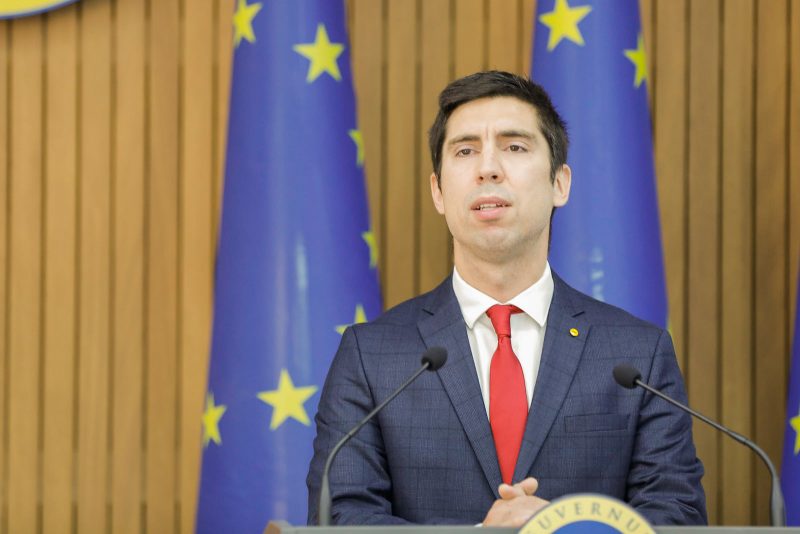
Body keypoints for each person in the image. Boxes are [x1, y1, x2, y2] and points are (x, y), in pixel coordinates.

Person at [306, 70, 706, 527]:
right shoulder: (372, 357)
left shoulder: (637, 357)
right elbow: (341, 518)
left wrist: (562, 529)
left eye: (514, 147)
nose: (488, 168)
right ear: (438, 191)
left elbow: (677, 516)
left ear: (560, 183)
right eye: (465, 151)